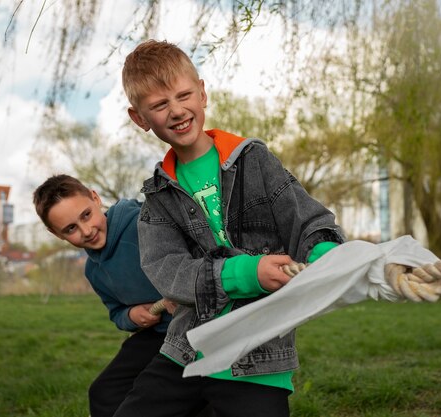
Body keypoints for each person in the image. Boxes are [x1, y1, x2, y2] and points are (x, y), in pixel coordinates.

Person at [113, 39, 345, 417]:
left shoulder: (253, 161)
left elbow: (308, 221)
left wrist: (326, 257)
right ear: (140, 119)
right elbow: (166, 270)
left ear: (202, 93)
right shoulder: (157, 197)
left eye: (184, 95)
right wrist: (246, 272)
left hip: (255, 356)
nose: (176, 111)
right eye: (159, 105)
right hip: (188, 351)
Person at [32, 175, 212, 417]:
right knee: (105, 392)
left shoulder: (144, 221)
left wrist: (179, 289)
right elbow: (115, 311)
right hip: (158, 333)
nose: (86, 231)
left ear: (95, 198)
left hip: (198, 325)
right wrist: (131, 315)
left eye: (86, 215)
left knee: (171, 390)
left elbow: (197, 252)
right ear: (57, 234)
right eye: (71, 228)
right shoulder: (94, 271)